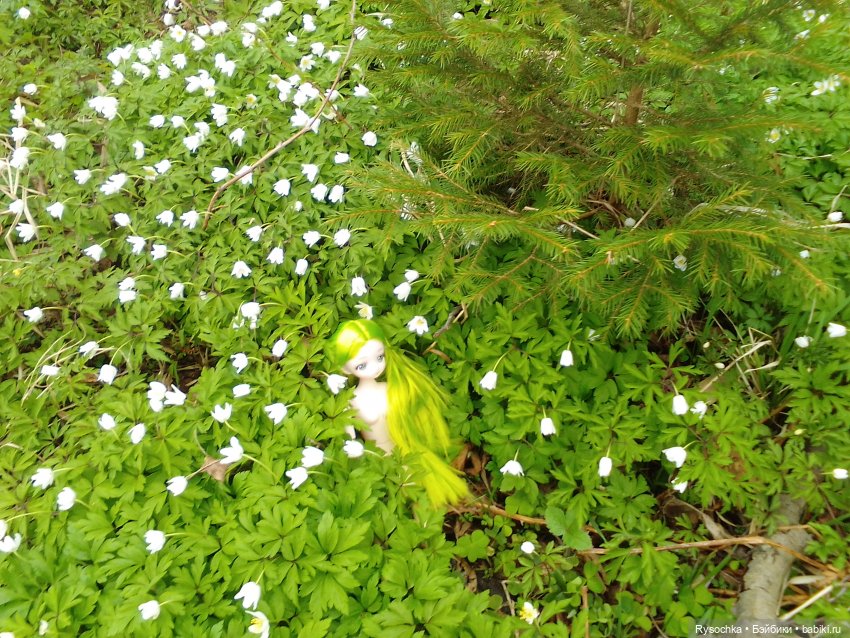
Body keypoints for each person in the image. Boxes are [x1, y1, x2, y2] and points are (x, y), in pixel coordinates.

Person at [327, 319, 468, 506]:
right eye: (362, 365)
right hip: (375, 457)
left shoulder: (388, 388)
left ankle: (420, 515)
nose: (376, 366)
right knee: (390, 494)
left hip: (401, 448)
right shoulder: (350, 401)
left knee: (414, 486)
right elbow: (349, 436)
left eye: (379, 357)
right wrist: (353, 449)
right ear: (345, 368)